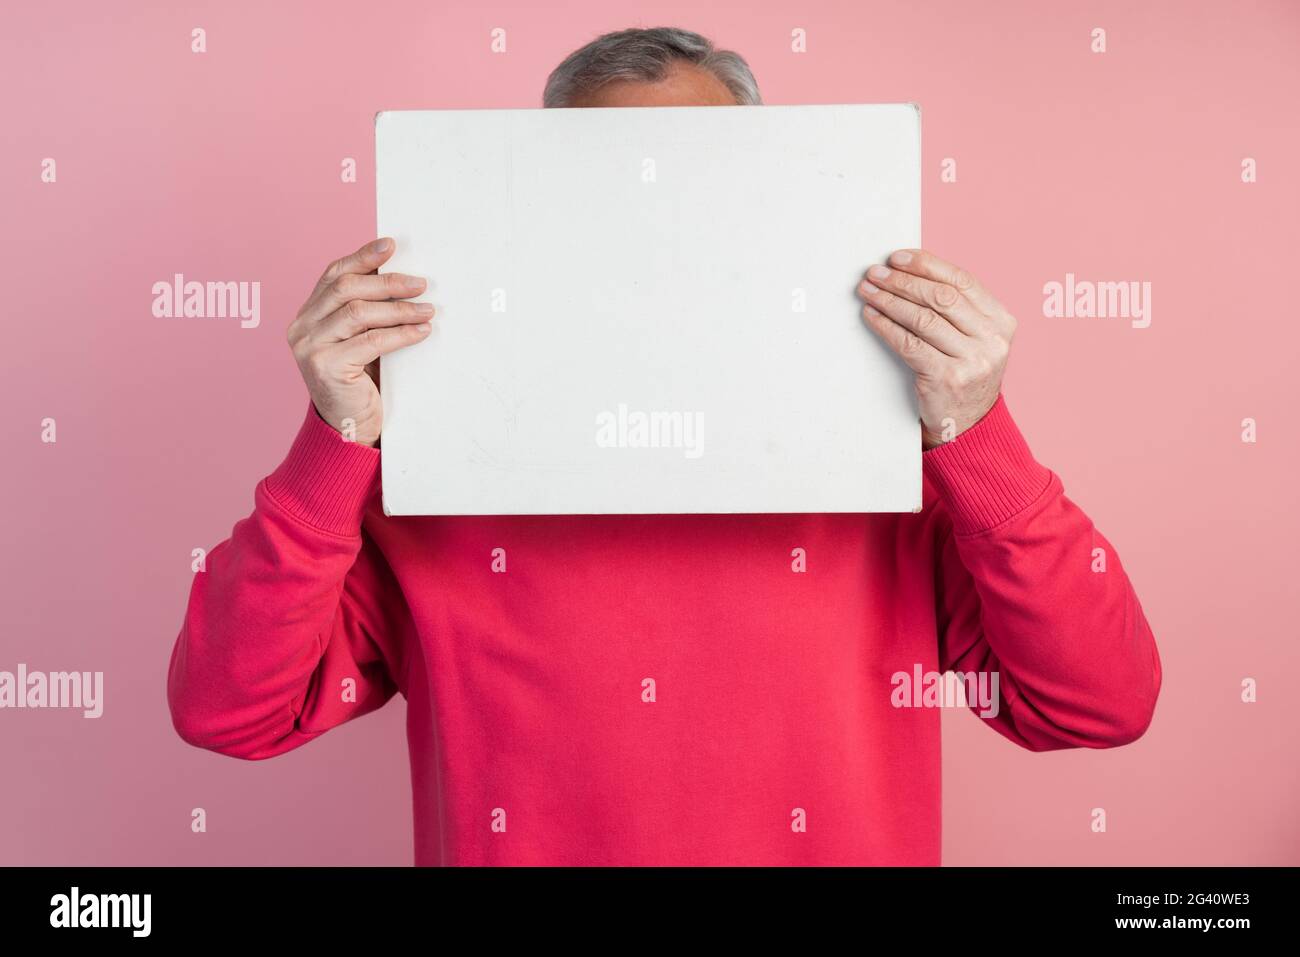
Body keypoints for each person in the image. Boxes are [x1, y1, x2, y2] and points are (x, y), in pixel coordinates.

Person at [166, 27, 1161, 866]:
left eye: (696, 191)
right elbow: (231, 713)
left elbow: (1096, 704)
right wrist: (337, 437)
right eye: (603, 197)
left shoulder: (885, 476)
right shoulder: (425, 482)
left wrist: (976, 430)